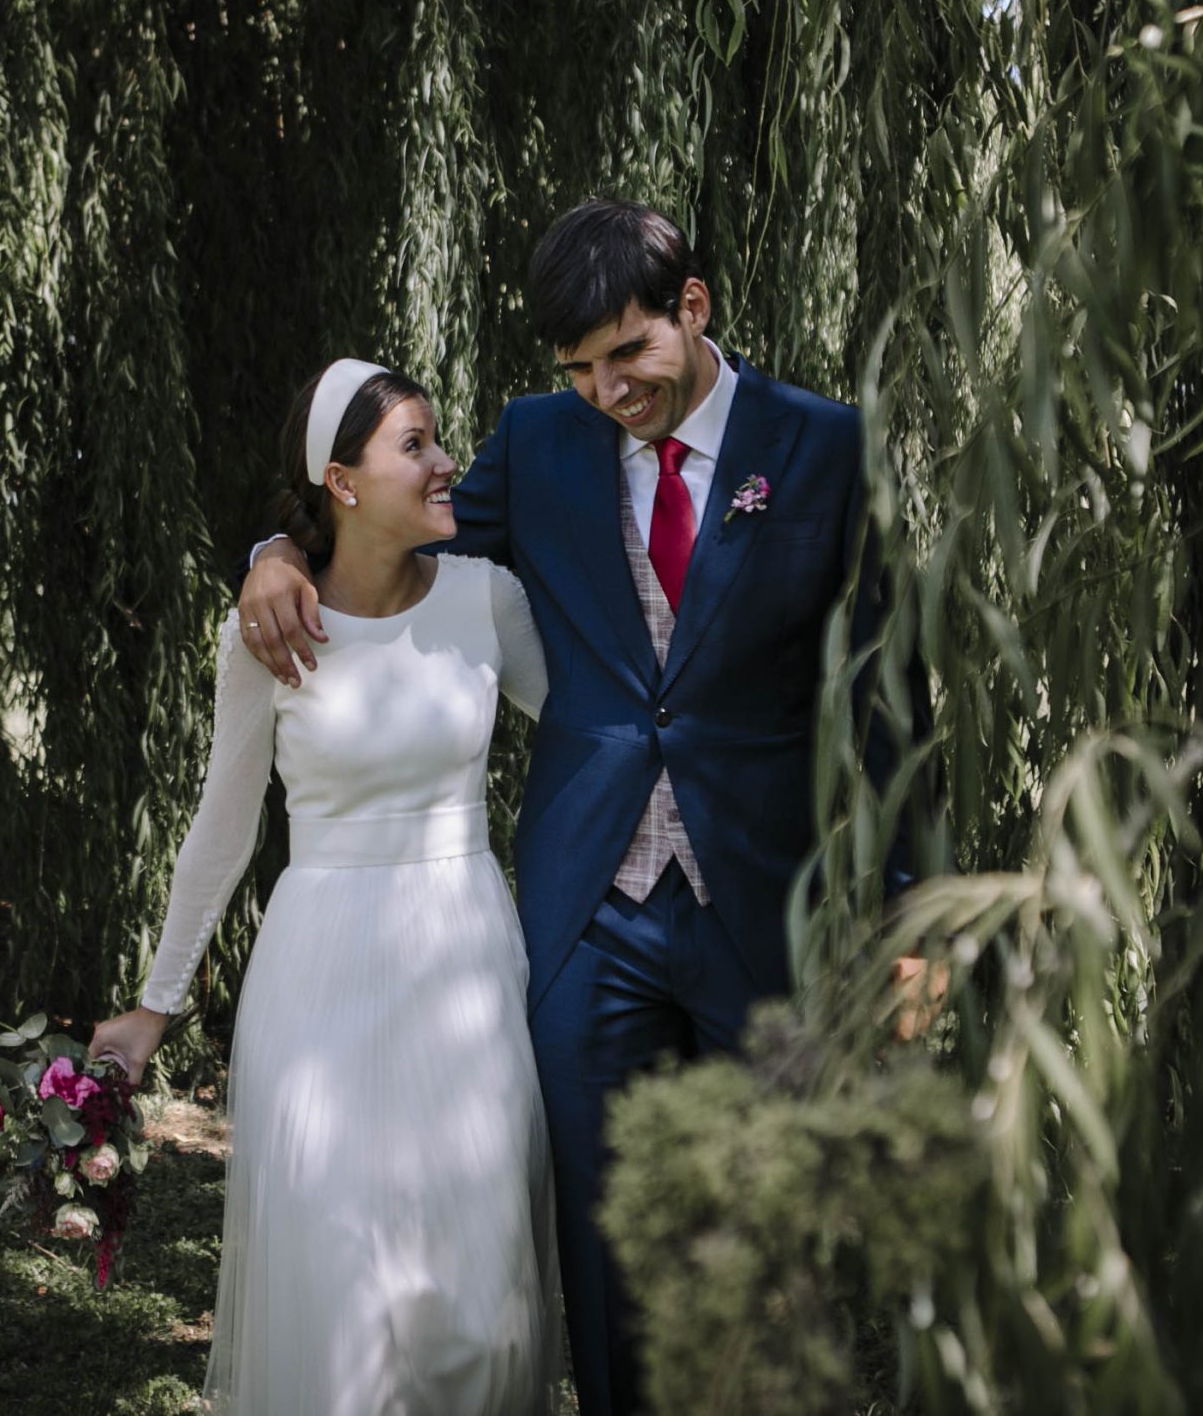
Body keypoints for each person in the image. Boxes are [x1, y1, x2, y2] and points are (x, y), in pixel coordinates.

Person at [237, 199, 933, 1416]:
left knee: (769, 1246)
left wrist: (914, 914)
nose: (609, 389)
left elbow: (891, 701)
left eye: (630, 354)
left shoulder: (825, 448)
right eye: (579, 369)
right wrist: (274, 553)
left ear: (693, 308)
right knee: (605, 1254)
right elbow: (385, 535)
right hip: (588, 922)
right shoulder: (541, 443)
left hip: (759, 909)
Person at [91, 360, 558, 1415]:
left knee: (481, 1311)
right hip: (319, 983)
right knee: (343, 1301)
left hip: (467, 966)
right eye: (416, 446)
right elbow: (222, 825)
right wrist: (155, 1005)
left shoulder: (488, 599)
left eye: (440, 439)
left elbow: (601, 735)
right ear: (342, 483)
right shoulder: (266, 630)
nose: (447, 463)